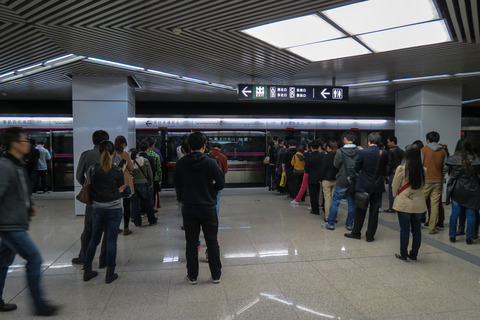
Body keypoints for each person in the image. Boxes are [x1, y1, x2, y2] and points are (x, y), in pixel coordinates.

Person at [0, 127, 59, 316]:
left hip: (15, 221)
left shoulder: (18, 164)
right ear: (14, 144)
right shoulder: (4, 166)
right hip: (9, 224)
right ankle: (39, 304)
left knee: (3, 262)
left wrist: (29, 204)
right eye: (24, 141)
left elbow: (20, 190)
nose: (28, 144)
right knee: (34, 258)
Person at [174, 132, 225, 284]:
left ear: (188, 146)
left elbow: (176, 185)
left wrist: (184, 196)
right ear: (204, 146)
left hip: (189, 207)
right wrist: (211, 190)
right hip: (208, 207)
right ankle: (216, 275)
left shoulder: (181, 163)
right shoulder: (210, 163)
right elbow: (221, 183)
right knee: (212, 241)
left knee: (191, 242)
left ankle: (192, 276)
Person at [83, 140, 126, 284]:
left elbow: (89, 186)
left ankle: (87, 270)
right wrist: (121, 190)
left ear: (100, 152)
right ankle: (110, 273)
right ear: (113, 153)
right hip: (114, 209)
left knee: (94, 240)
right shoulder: (118, 170)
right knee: (111, 242)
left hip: (98, 209)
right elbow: (122, 190)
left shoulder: (93, 169)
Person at [72, 130, 109, 267]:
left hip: (93, 199)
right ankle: (104, 261)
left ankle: (84, 257)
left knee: (89, 229)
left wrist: (87, 186)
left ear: (93, 141)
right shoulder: (113, 155)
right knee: (108, 231)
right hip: (110, 199)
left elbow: (79, 176)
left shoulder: (87, 155)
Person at [345, 132, 389, 242]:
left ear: (369, 141)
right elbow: (387, 170)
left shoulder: (363, 152)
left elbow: (356, 168)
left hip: (363, 185)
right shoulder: (384, 153)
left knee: (360, 210)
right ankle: (370, 236)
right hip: (377, 186)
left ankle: (356, 233)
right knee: (374, 212)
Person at [392, 146, 427, 260]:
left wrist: (395, 196)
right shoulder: (423, 170)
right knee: (417, 230)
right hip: (419, 203)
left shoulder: (401, 169)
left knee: (404, 229)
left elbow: (395, 186)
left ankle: (403, 253)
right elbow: (423, 186)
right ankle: (414, 254)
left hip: (404, 202)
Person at [446, 138, 480, 244]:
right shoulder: (476, 160)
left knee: (455, 213)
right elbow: (477, 175)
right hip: (472, 189)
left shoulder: (452, 159)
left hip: (457, 189)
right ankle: (469, 237)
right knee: (471, 214)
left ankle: (452, 236)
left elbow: (449, 173)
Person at [322, 131, 358, 230]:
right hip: (354, 180)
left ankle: (331, 223)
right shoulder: (358, 151)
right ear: (353, 139)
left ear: (345, 139)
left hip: (342, 179)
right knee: (352, 203)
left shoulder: (340, 151)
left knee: (335, 201)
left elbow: (336, 164)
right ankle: (349, 224)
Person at [421, 131, 447, 234]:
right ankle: (432, 228)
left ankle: (415, 224)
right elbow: (445, 167)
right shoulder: (443, 151)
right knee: (435, 205)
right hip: (438, 180)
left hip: (426, 181)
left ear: (428, 140)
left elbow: (420, 166)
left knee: (419, 202)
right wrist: (441, 176)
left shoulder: (423, 150)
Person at [130, 149, 158, 227]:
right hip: (143, 183)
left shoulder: (129, 163)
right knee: (148, 202)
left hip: (133, 184)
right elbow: (150, 173)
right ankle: (152, 220)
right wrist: (150, 181)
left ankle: (137, 222)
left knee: (135, 205)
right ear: (137, 154)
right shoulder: (144, 160)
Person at [113, 135, 135, 235]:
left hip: (114, 182)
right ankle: (126, 228)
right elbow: (131, 168)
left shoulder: (111, 153)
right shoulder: (125, 154)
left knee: (116, 206)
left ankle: (116, 227)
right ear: (123, 144)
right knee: (126, 206)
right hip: (125, 181)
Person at [319, 140, 339, 221]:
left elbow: (323, 169)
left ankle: (327, 217)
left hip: (326, 179)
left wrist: (320, 179)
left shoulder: (326, 156)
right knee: (334, 200)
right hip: (336, 179)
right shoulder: (338, 156)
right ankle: (334, 217)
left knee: (327, 199)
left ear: (328, 147)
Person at [303, 139, 324, 214]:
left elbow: (306, 169)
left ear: (311, 147)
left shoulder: (309, 157)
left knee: (313, 195)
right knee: (321, 194)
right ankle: (323, 208)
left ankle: (315, 210)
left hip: (312, 177)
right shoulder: (323, 156)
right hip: (321, 178)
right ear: (319, 147)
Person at [385, 136, 404, 213]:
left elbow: (389, 163)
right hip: (401, 172)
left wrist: (387, 174)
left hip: (392, 173)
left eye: (389, 142)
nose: (388, 144)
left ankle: (392, 208)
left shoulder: (390, 151)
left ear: (393, 142)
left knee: (392, 191)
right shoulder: (401, 151)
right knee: (399, 191)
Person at [209, 143, 228, 215]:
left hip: (207, 181)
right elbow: (225, 170)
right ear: (220, 148)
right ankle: (215, 217)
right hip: (218, 181)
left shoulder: (208, 155)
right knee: (217, 200)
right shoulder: (223, 157)